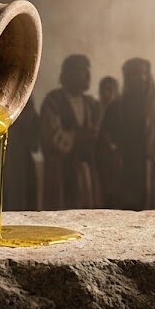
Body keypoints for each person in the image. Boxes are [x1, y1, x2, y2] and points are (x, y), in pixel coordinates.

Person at [100, 57, 155, 210]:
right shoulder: (116, 109)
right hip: (125, 173)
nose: (137, 79)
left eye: (141, 74)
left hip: (153, 172)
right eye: (132, 74)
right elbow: (105, 140)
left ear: (148, 76)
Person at [41, 54, 102, 209]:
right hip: (61, 172)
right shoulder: (53, 101)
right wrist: (79, 136)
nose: (88, 76)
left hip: (85, 173)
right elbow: (54, 138)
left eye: (88, 71)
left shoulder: (90, 103)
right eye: (82, 71)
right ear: (68, 74)